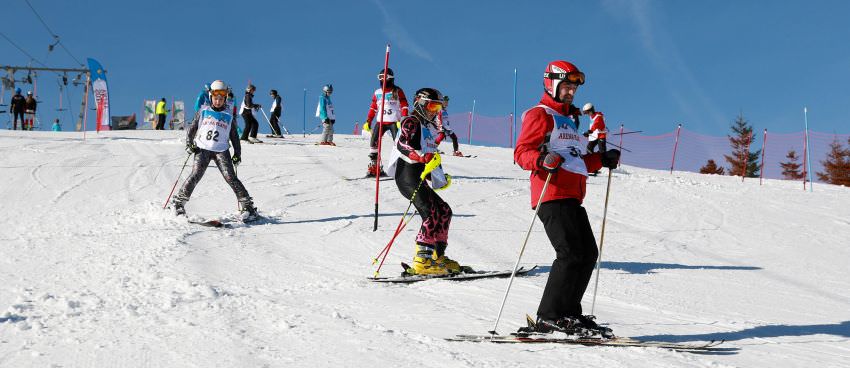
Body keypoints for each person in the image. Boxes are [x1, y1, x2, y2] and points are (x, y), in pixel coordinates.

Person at [513, 60, 620, 337]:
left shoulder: (571, 121)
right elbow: (521, 152)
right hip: (550, 192)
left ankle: (569, 314)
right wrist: (541, 158)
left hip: (573, 194)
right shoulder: (540, 114)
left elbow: (577, 160)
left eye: (574, 88)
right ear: (552, 84)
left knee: (587, 254)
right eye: (567, 87)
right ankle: (549, 316)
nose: (571, 92)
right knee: (570, 253)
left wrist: (601, 160)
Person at [386, 87, 459, 276]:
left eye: (437, 108)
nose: (434, 111)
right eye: (432, 106)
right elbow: (403, 144)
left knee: (444, 210)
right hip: (406, 176)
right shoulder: (411, 121)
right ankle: (421, 260)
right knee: (430, 211)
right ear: (420, 103)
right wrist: (419, 157)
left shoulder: (427, 129)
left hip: (417, 177)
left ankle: (437, 256)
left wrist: (437, 177)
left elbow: (429, 158)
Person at [171, 80, 259, 222]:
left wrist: (237, 154)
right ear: (211, 97)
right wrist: (189, 144)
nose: (218, 101)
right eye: (215, 98)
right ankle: (178, 204)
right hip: (202, 148)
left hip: (221, 151)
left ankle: (248, 207)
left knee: (230, 177)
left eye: (221, 99)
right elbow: (192, 129)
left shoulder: (229, 115)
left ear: (225, 98)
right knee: (195, 175)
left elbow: (235, 138)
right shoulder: (204, 111)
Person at [364, 68, 408, 176]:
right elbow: (373, 108)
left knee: (398, 144)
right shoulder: (377, 92)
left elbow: (404, 105)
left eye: (386, 78)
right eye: (381, 78)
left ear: (391, 79)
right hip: (380, 122)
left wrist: (403, 119)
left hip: (394, 122)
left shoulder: (397, 91)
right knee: (373, 143)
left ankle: (401, 168)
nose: (383, 80)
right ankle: (375, 167)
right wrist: (368, 121)